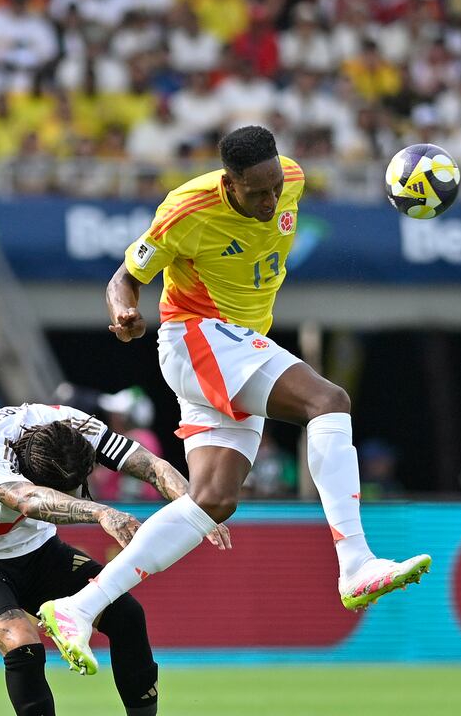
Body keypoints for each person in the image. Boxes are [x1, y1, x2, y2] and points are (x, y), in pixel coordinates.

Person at [41, 125, 431, 676]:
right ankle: (355, 562)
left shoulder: (291, 178)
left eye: (275, 189)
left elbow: (277, 195)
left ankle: (79, 607)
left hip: (236, 346)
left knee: (214, 499)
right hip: (196, 335)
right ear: (229, 182)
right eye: (257, 193)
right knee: (328, 401)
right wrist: (124, 311)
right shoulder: (186, 210)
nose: (271, 202)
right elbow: (124, 277)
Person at [0, 402, 230, 715]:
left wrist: (197, 512)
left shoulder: (72, 425)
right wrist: (101, 512)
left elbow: (153, 466)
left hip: (38, 549)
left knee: (126, 615)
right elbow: (28, 500)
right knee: (20, 642)